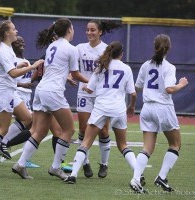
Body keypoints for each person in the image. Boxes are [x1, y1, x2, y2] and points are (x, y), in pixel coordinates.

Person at [11, 18, 89, 180]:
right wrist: (93, 82)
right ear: (69, 30)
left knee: (40, 131)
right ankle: (55, 167)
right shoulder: (70, 48)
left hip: (41, 90)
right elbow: (75, 74)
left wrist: (65, 77)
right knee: (68, 130)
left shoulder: (52, 46)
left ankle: (20, 164)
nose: (74, 31)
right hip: (53, 92)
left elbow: (52, 69)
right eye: (73, 28)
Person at [0, 20, 44, 177]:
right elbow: (11, 73)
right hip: (3, 92)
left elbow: (9, 72)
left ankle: (3, 142)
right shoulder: (4, 50)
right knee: (2, 128)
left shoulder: (7, 48)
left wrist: (21, 71)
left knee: (27, 118)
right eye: (13, 29)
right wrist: (32, 66)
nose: (16, 31)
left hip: (10, 91)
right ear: (6, 33)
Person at [64, 41, 137, 184]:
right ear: (121, 54)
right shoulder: (126, 68)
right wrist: (131, 107)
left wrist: (85, 89)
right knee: (123, 145)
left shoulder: (101, 66)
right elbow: (133, 93)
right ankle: (138, 174)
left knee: (85, 142)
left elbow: (90, 89)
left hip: (101, 107)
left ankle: (73, 175)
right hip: (118, 109)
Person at [129, 34, 188, 193]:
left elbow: (138, 86)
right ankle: (161, 177)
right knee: (175, 144)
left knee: (147, 148)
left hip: (147, 108)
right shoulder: (169, 67)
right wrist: (181, 84)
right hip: (163, 108)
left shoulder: (146, 65)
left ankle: (136, 179)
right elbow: (169, 89)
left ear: (154, 47)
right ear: (169, 48)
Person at [75, 20, 122, 178]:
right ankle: (85, 163)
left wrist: (94, 84)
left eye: (93, 30)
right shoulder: (80, 48)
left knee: (103, 131)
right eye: (87, 30)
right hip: (84, 93)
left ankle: (104, 164)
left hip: (101, 95)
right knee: (83, 129)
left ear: (100, 32)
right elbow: (73, 68)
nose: (89, 33)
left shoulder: (106, 50)